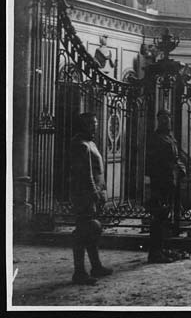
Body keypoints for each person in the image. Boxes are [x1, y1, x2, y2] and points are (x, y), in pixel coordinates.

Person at [69, 112, 113, 285]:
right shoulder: (80, 145)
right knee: (84, 231)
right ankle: (79, 272)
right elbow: (86, 174)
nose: (94, 127)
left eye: (95, 124)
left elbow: (97, 172)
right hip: (84, 195)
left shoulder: (90, 143)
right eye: (91, 124)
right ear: (83, 125)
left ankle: (96, 266)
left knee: (91, 230)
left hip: (92, 193)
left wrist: (102, 191)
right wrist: (95, 193)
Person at [146, 109, 186, 263]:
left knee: (164, 217)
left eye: (168, 118)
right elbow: (152, 163)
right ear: (158, 120)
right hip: (160, 182)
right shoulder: (155, 139)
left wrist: (181, 167)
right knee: (158, 217)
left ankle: (161, 249)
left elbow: (175, 157)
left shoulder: (170, 137)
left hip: (170, 180)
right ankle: (154, 253)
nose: (166, 121)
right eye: (163, 119)